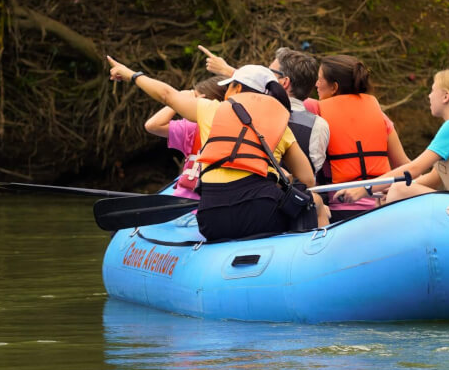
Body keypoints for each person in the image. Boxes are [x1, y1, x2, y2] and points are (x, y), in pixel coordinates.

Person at [107, 57, 327, 239]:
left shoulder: (210, 109)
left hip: (211, 220)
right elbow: (307, 179)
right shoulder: (281, 126)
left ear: (237, 87)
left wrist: (131, 74)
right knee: (314, 202)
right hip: (261, 216)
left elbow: (166, 94)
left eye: (228, 86)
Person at [333, 68, 449, 204]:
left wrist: (365, 189)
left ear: (445, 96)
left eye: (432, 90)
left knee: (399, 190)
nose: (429, 96)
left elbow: (414, 168)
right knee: (396, 188)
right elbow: (433, 179)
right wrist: (386, 187)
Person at [198, 45, 330, 176]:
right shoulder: (319, 126)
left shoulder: (243, 113)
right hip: (298, 188)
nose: (264, 74)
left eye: (269, 71)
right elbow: (312, 171)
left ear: (284, 82)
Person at [310, 54, 410, 221]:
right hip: (382, 208)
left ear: (334, 87)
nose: (316, 84)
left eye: (319, 79)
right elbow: (405, 164)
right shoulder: (380, 116)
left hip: (342, 210)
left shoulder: (316, 111)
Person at [143, 76, 227, 199]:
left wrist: (178, 98)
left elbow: (153, 125)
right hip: (199, 201)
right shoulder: (192, 128)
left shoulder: (192, 128)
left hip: (195, 201)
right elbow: (152, 126)